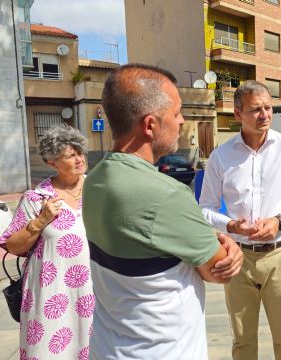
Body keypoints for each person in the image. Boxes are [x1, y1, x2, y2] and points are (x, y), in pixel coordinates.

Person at [82, 63, 243, 360]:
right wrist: (227, 244)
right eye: (176, 113)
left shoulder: (95, 180)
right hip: (163, 351)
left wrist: (200, 235)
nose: (182, 121)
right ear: (150, 125)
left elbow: (151, 235)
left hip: (108, 347)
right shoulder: (166, 195)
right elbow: (220, 270)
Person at [199, 80, 281, 360]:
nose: (264, 114)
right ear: (237, 113)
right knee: (242, 344)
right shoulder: (221, 157)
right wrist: (229, 225)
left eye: (268, 107)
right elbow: (204, 208)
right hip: (238, 259)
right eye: (255, 109)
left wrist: (280, 220)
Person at [0, 125, 93, 359]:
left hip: (93, 288)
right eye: (70, 156)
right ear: (53, 163)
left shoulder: (97, 189)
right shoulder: (37, 198)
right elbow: (13, 246)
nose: (79, 159)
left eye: (80, 152)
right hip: (51, 291)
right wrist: (42, 220)